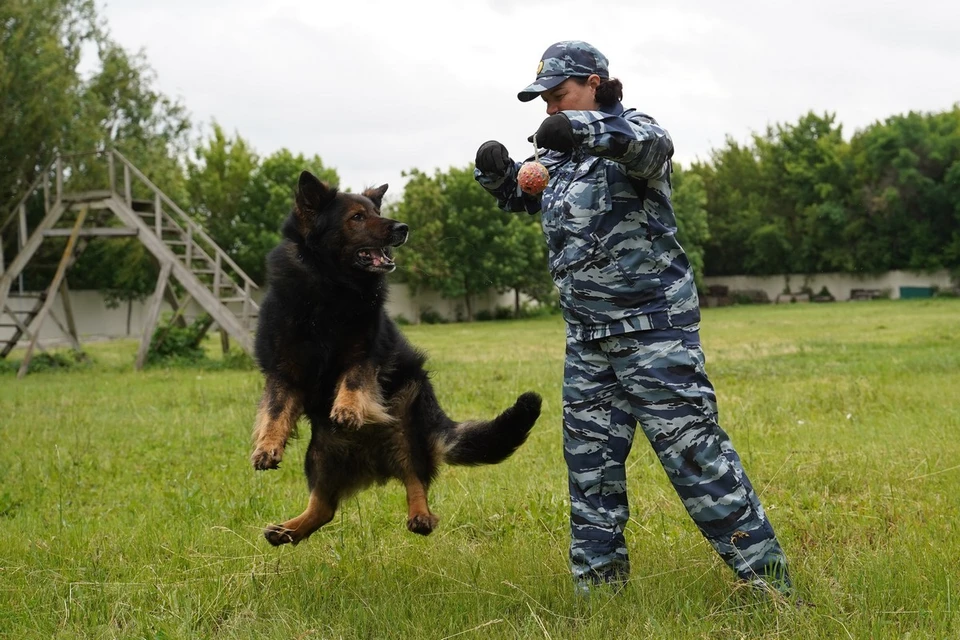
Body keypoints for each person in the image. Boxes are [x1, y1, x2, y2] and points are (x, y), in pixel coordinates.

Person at [473, 40, 792, 596]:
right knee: (590, 471)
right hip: (588, 340)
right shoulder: (556, 156)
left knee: (697, 460)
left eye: (560, 94)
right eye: (544, 99)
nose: (550, 107)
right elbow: (530, 200)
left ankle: (771, 587)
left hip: (652, 333)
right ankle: (599, 599)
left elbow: (651, 147)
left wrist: (585, 131)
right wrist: (499, 178)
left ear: (594, 83)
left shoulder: (632, 133)